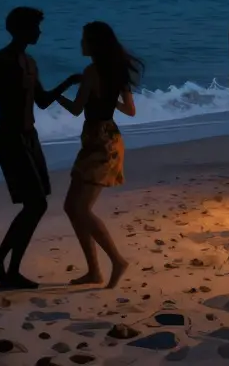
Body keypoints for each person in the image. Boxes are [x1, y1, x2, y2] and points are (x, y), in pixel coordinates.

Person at [0, 7, 80, 289]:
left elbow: (42, 101)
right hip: (8, 137)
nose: (39, 32)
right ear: (20, 29)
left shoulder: (30, 62)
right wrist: (4, 84)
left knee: (37, 204)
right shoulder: (0, 61)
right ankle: (4, 265)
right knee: (37, 204)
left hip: (29, 136)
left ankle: (6, 266)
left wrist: (69, 82)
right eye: (35, 27)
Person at [55, 21, 142, 289]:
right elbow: (130, 110)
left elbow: (75, 108)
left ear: (95, 44)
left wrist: (54, 92)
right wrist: (106, 98)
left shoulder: (92, 71)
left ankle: (116, 261)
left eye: (84, 40)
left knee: (79, 208)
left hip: (98, 143)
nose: (81, 44)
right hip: (109, 138)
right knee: (73, 207)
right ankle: (94, 271)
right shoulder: (116, 71)